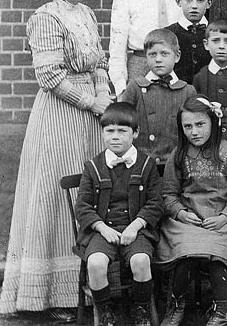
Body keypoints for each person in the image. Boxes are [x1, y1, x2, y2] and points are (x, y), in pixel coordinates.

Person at [0, 0, 112, 320]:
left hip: (92, 118)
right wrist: (91, 102)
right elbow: (50, 76)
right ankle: (50, 295)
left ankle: (91, 284)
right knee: (55, 195)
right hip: (59, 116)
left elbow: (100, 62)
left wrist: (104, 98)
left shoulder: (88, 15)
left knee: (90, 191)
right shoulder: (45, 18)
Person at [157, 96, 227, 326]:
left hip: (222, 219)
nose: (194, 132)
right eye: (187, 126)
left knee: (218, 256)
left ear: (213, 122)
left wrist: (225, 217)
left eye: (200, 124)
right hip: (188, 220)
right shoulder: (178, 155)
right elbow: (168, 193)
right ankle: (176, 305)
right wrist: (180, 213)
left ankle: (221, 311)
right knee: (188, 254)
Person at [73, 103, 163, 326]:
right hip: (102, 230)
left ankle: (141, 309)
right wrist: (101, 228)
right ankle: (104, 311)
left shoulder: (147, 165)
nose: (115, 137)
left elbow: (155, 202)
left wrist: (135, 226)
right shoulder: (93, 167)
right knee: (95, 263)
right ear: (102, 132)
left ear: (135, 133)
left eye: (122, 131)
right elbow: (82, 205)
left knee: (141, 261)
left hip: (136, 229)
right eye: (109, 131)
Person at [120, 29, 197, 165]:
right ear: (146, 57)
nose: (158, 59)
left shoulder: (187, 91)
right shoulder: (135, 87)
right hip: (141, 164)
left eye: (164, 54)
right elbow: (122, 125)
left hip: (176, 164)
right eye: (152, 54)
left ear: (177, 56)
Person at [165, 0, 211, 85]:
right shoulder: (168, 34)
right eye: (189, 0)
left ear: (209, 3)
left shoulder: (215, 33)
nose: (194, 6)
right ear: (178, 1)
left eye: (200, 0)